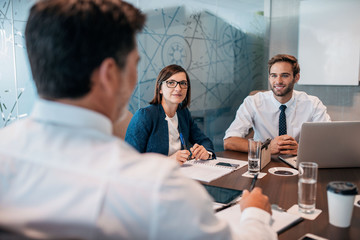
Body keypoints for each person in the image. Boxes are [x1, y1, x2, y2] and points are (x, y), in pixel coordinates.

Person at [0, 0, 276, 239]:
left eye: (183, 84)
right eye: (134, 63)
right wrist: (255, 214)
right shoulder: (156, 187)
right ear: (110, 74)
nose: (178, 89)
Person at [224, 54, 331, 155]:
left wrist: (302, 148)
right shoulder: (253, 102)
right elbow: (229, 141)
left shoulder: (313, 104)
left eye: (285, 75)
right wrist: (266, 147)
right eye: (273, 75)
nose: (278, 81)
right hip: (263, 160)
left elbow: (329, 140)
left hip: (297, 161)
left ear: (296, 77)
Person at [125, 64, 215, 164]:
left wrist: (206, 152)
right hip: (152, 177)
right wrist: (168, 161)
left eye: (183, 83)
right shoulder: (145, 116)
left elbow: (204, 141)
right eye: (171, 83)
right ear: (160, 88)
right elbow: (129, 161)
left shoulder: (183, 114)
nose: (178, 88)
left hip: (179, 174)